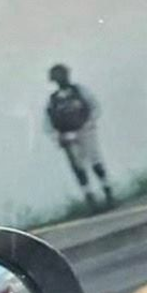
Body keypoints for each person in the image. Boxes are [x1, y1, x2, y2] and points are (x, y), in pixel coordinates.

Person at [45, 64, 114, 209]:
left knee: (95, 160)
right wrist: (57, 137)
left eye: (62, 76)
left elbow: (94, 107)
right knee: (78, 166)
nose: (61, 80)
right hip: (68, 135)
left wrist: (89, 123)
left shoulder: (80, 91)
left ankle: (107, 191)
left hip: (85, 130)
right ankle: (90, 197)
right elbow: (49, 122)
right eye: (57, 78)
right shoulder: (54, 100)